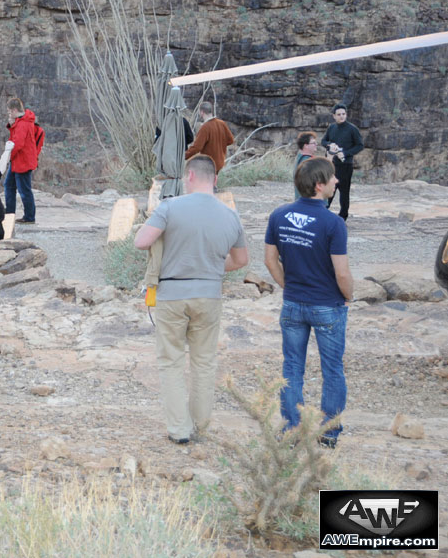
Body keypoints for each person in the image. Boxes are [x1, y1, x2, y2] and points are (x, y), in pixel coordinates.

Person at [134, 155, 249, 444]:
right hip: (209, 295)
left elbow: (141, 242)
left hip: (172, 295)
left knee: (171, 362)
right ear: (215, 180)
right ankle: (201, 425)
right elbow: (241, 260)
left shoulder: (170, 207)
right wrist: (208, 266)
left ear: (190, 177)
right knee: (204, 362)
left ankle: (179, 430)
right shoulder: (230, 215)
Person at [264, 157, 353, 448]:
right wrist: (349, 295)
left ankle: (291, 430)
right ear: (319, 185)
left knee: (291, 368)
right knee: (332, 369)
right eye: (332, 178)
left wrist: (286, 286)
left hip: (293, 303)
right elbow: (341, 271)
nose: (336, 182)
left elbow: (269, 259)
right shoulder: (333, 223)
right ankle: (327, 434)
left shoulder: (279, 215)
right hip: (327, 305)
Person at [323, 104, 364, 221]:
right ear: (334, 116)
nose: (341, 116)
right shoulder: (332, 128)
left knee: (344, 192)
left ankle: (342, 217)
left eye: (343, 114)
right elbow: (323, 140)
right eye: (339, 114)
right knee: (329, 188)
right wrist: (329, 145)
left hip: (346, 165)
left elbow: (360, 146)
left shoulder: (352, 129)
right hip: (332, 164)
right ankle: (323, 212)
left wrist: (345, 153)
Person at [4, 97, 42, 224]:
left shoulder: (23, 123)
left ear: (14, 110)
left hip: (22, 161)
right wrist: (11, 124)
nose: (9, 114)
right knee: (9, 185)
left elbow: (18, 144)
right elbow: (16, 138)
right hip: (20, 161)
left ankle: (29, 217)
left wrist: (8, 155)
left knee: (23, 190)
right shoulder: (23, 121)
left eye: (9, 112)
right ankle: (10, 213)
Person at [185, 101, 235, 172]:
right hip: (220, 163)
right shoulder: (222, 123)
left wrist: (184, 156)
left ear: (202, 112)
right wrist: (219, 146)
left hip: (208, 164)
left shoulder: (205, 127)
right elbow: (231, 140)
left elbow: (197, 147)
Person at [293, 131, 318, 200]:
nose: (316, 144)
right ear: (305, 145)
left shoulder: (300, 157)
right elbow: (325, 175)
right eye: (313, 143)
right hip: (308, 202)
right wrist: (331, 156)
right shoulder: (307, 161)